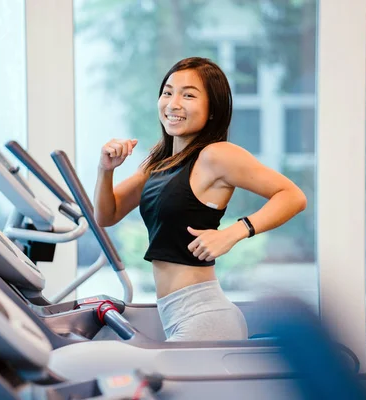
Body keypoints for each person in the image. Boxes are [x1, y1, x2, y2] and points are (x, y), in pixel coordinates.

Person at [94, 57, 307, 342]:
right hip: (175, 313)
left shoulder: (216, 155)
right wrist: (105, 170)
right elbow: (107, 215)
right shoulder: (158, 162)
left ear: (211, 110)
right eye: (168, 92)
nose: (173, 103)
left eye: (189, 95)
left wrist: (234, 232)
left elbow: (293, 196)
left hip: (205, 317)